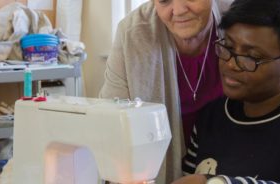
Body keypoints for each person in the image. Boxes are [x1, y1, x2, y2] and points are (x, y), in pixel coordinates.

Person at [172, 0, 280, 183]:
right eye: (228, 47)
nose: (231, 64)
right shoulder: (210, 117)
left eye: (251, 57)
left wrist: (217, 182)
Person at [99, 0, 232, 183]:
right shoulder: (132, 33)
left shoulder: (238, 19)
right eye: (164, 1)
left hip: (229, 164)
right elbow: (111, 126)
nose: (178, 11)